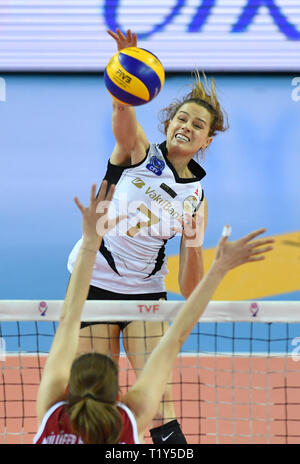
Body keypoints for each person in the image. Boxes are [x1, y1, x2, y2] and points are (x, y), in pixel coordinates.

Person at [67, 27, 229, 444]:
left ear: (206, 140)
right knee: (93, 398)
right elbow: (123, 118)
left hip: (145, 294)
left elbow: (190, 288)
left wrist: (193, 242)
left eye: (197, 125)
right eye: (181, 118)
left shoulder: (197, 199)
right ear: (168, 121)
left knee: (157, 406)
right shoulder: (139, 152)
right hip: (95, 284)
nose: (186, 127)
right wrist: (126, 67)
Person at [35, 182, 273, 444]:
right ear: (119, 399)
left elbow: (69, 316)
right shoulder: (127, 422)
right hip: (104, 288)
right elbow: (175, 339)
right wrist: (219, 269)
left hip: (142, 288)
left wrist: (90, 241)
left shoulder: (51, 416)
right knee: (162, 409)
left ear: (67, 390)